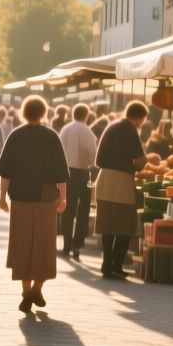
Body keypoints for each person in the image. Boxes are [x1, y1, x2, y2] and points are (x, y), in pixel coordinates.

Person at [0, 96, 68, 314]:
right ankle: (37, 288)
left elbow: (6, 171)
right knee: (45, 245)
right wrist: (63, 197)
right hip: (46, 197)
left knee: (22, 243)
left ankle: (26, 290)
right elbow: (61, 173)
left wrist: (2, 197)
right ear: (44, 112)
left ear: (23, 113)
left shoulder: (16, 136)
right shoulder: (51, 136)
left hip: (20, 198)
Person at [94, 101, 148, 281]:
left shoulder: (113, 125)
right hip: (120, 181)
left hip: (104, 180)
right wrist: (147, 161)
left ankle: (107, 265)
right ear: (140, 117)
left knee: (107, 226)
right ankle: (116, 265)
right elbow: (140, 161)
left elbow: (98, 159)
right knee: (126, 226)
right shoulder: (130, 129)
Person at [58, 103, 97, 259]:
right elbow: (93, 154)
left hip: (66, 173)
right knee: (83, 210)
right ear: (86, 115)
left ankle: (66, 244)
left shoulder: (65, 129)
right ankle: (77, 244)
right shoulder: (87, 131)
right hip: (82, 173)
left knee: (67, 209)